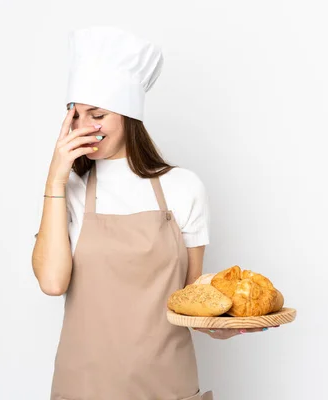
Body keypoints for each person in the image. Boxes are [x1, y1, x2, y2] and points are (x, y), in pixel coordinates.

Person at [32, 26, 266, 400]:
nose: (83, 127)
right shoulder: (68, 192)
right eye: (74, 116)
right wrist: (55, 180)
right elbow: (52, 282)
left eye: (97, 115)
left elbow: (192, 297)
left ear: (127, 117)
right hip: (84, 386)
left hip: (166, 383)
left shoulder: (183, 187)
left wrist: (221, 325)